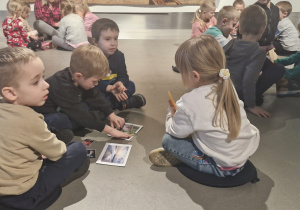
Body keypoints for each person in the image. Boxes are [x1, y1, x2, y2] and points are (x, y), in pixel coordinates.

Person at [149, 35, 260, 178]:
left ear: (195, 76)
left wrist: (171, 114)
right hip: (242, 157)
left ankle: (193, 159)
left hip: (222, 167)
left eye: (181, 71)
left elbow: (175, 131)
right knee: (196, 127)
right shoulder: (227, 84)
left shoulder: (189, 102)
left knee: (169, 141)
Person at [0, 47, 89, 209]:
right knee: (78, 149)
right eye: (36, 82)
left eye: (43, 77)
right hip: (23, 195)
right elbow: (57, 153)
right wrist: (44, 150)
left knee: (58, 119)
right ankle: (51, 189)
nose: (46, 85)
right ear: (11, 93)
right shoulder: (30, 119)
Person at [33, 45, 131, 139]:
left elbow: (95, 95)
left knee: (86, 108)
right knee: (62, 120)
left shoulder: (79, 78)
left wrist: (111, 114)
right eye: (94, 81)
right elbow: (79, 114)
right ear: (78, 76)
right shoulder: (62, 86)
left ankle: (87, 121)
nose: (97, 84)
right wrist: (110, 130)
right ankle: (59, 133)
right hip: (44, 116)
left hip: (67, 109)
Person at [224, 5, 273, 118]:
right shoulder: (259, 52)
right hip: (238, 95)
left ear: (239, 28)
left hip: (224, 89)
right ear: (263, 29)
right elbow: (248, 81)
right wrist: (251, 105)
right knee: (278, 69)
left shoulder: (231, 43)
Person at [91, 18, 146, 110]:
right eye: (107, 39)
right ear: (95, 42)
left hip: (114, 89)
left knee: (131, 85)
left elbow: (124, 76)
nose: (113, 43)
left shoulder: (119, 56)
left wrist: (120, 84)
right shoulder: (91, 57)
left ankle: (110, 105)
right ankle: (125, 103)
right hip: (102, 89)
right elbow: (91, 82)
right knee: (93, 95)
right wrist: (109, 88)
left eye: (115, 39)